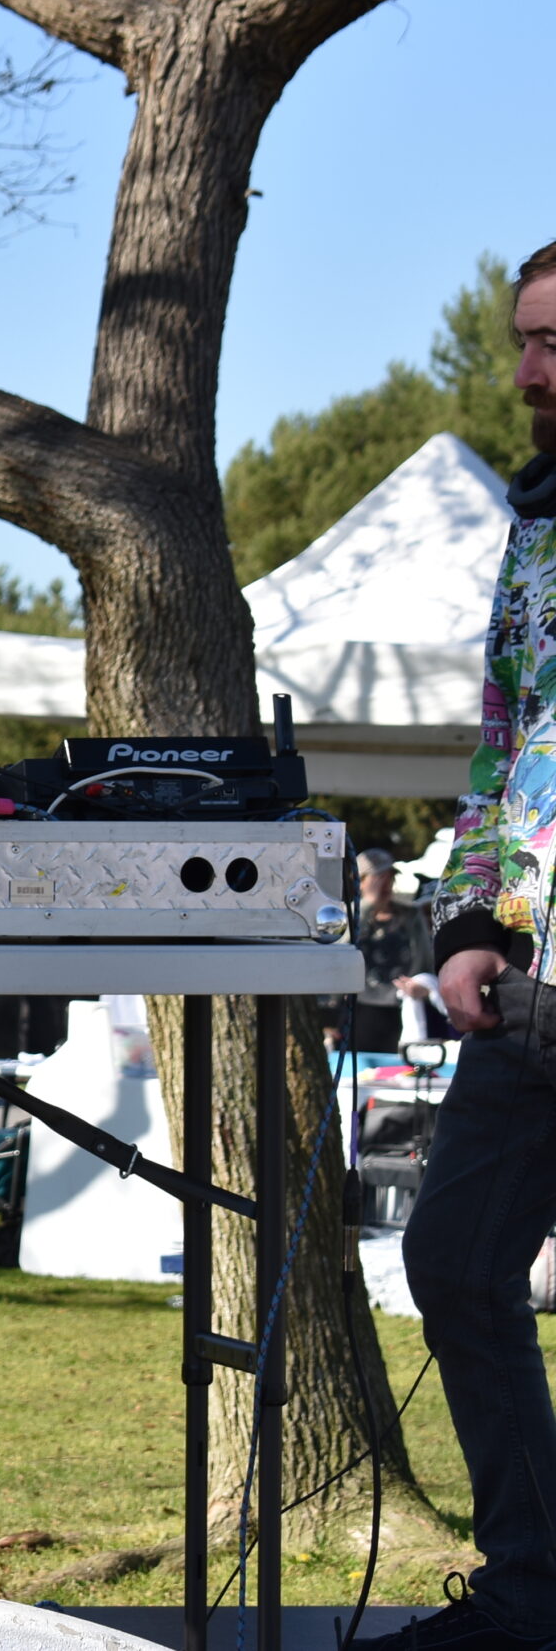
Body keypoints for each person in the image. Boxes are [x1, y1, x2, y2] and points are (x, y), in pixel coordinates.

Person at [367, 239, 556, 1651]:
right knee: (452, 1260)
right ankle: (531, 1591)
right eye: (524, 341)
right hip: (536, 994)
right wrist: (472, 925)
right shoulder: (535, 523)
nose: (530, 372)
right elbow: (505, 749)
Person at [344, 849, 437, 1054]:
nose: (385, 884)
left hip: (403, 1007)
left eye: (390, 877)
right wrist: (368, 905)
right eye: (378, 878)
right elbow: (340, 953)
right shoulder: (346, 915)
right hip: (360, 1009)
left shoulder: (410, 914)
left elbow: (426, 960)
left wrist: (424, 986)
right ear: (361, 881)